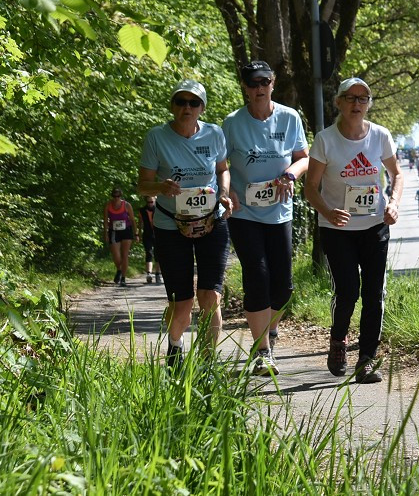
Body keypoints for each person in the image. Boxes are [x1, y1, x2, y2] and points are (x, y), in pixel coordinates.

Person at [303, 77, 402, 384]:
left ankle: (367, 359)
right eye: (350, 98)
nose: (357, 104)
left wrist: (394, 203)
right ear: (339, 103)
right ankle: (338, 341)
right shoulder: (326, 139)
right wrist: (328, 210)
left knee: (375, 294)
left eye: (363, 98)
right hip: (337, 229)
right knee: (347, 292)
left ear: (368, 104)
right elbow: (310, 188)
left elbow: (396, 175)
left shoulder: (380, 136)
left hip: (374, 226)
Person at [137, 79, 233, 368]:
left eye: (193, 103)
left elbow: (222, 170)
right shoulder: (156, 137)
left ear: (202, 108)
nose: (186, 107)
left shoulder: (214, 134)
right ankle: (176, 346)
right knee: (182, 303)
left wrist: (225, 194)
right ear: (172, 106)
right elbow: (142, 186)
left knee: (210, 296)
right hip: (170, 225)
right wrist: (160, 187)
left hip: (211, 222)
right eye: (181, 101)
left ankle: (206, 364)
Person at [223, 61, 309, 376]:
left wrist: (290, 174)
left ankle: (269, 330)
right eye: (252, 83)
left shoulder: (290, 117)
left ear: (272, 83)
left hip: (280, 211)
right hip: (244, 213)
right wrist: (227, 191)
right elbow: (222, 164)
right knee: (257, 277)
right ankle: (262, 351)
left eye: (264, 82)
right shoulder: (232, 123)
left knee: (283, 287)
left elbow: (304, 158)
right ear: (245, 87)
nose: (259, 88)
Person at [103, 187, 136, 287]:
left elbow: (133, 220)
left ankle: (123, 278)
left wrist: (136, 233)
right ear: (112, 196)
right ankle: (119, 269)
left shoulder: (126, 205)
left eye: (118, 196)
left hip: (126, 231)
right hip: (114, 231)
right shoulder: (108, 205)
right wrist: (105, 233)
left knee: (125, 255)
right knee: (116, 255)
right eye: (114, 196)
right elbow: (105, 220)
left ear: (121, 196)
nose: (116, 198)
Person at [137, 195, 162, 285]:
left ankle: (158, 274)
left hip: (158, 234)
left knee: (158, 254)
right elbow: (140, 223)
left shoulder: (159, 209)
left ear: (155, 201)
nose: (150, 204)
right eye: (148, 202)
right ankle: (149, 274)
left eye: (152, 202)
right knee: (148, 252)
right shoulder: (142, 210)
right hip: (147, 234)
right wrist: (138, 234)